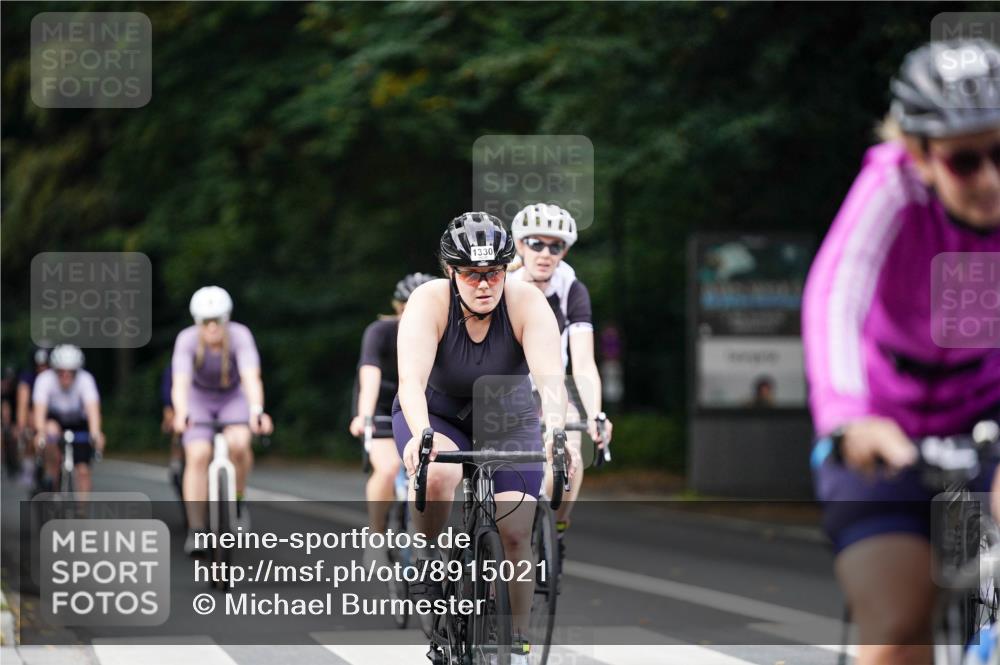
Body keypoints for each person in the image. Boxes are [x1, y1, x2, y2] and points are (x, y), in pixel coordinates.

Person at [805, 39, 1000, 665]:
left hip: (988, 411)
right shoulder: (890, 187)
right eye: (965, 162)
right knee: (896, 625)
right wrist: (847, 414)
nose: (991, 179)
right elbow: (838, 292)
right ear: (919, 155)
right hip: (883, 431)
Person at [394, 212, 576, 661]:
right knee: (437, 475)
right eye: (472, 274)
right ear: (451, 272)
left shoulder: (527, 303)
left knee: (515, 531)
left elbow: (551, 380)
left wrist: (556, 429)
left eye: (493, 272)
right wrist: (422, 435)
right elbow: (411, 384)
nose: (483, 284)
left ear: (505, 270)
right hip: (438, 414)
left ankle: (516, 640)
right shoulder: (428, 302)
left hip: (507, 418)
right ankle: (429, 557)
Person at [510, 203, 613, 552]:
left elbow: (583, 362)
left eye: (555, 247)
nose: (545, 254)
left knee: (571, 455)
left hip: (551, 385)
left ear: (564, 251)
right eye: (536, 243)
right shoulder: (503, 285)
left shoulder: (571, 289)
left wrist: (594, 414)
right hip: (506, 385)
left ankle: (556, 527)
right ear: (520, 245)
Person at [171, 286, 274, 555]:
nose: (213, 326)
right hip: (199, 399)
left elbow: (252, 377)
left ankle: (237, 501)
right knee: (197, 453)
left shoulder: (240, 336)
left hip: (232, 397)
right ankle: (196, 529)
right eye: (206, 321)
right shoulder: (186, 340)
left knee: (239, 443)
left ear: (227, 318)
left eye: (218, 319)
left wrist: (257, 410)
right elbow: (180, 382)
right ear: (198, 322)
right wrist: (181, 412)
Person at [349, 272, 435, 555]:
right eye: (408, 306)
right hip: (382, 406)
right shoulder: (380, 332)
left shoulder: (443, 331)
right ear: (398, 308)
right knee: (386, 469)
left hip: (425, 406)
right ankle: (375, 536)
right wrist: (364, 416)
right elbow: (369, 375)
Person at [32, 345, 105, 494]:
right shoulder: (44, 380)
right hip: (54, 420)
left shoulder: (86, 380)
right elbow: (39, 411)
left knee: (83, 471)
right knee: (50, 431)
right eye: (61, 372)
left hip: (79, 423)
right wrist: (40, 432)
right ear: (54, 370)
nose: (65, 376)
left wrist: (96, 433)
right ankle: (51, 475)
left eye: (70, 372)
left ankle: (82, 514)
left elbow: (93, 410)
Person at [15, 345, 49, 485]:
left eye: (45, 365)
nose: (42, 368)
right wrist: (21, 426)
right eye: (39, 365)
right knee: (30, 426)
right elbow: (23, 403)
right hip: (32, 412)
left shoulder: (53, 378)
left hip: (50, 413)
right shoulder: (27, 377)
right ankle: (29, 466)